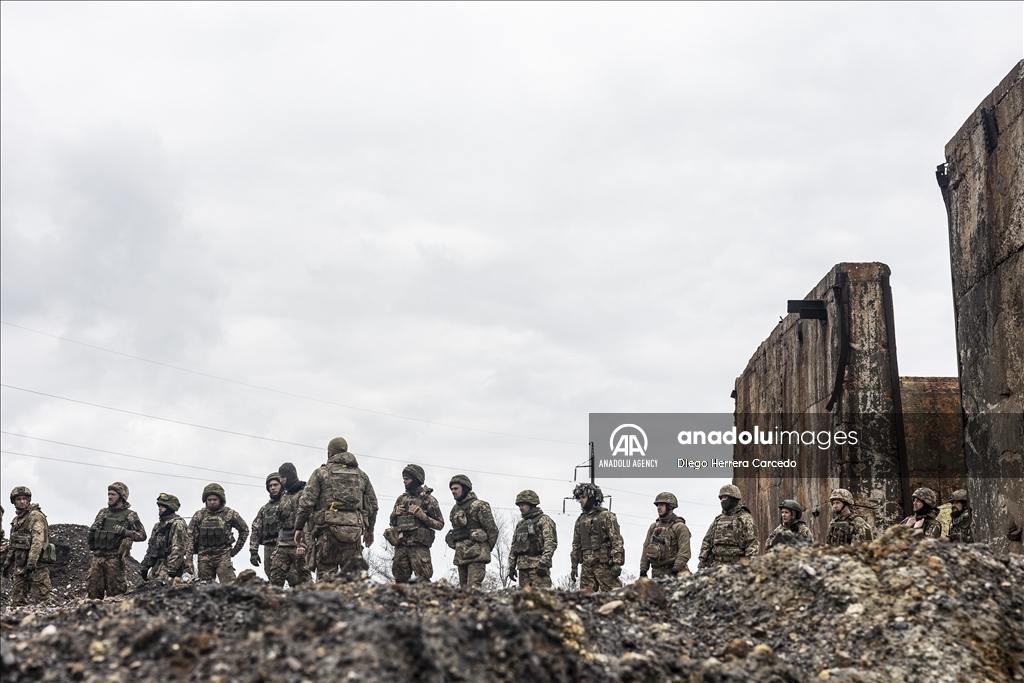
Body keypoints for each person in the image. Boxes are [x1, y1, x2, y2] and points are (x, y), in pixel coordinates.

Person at [296, 437, 378, 581]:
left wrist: (298, 528)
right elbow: (373, 505)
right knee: (353, 583)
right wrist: (370, 530)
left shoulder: (321, 473)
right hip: (354, 536)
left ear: (330, 453)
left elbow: (306, 503)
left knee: (327, 580)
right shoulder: (362, 475)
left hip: (328, 534)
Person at [87, 482, 147, 599]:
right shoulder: (102, 513)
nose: (109, 497)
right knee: (93, 594)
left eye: (113, 494)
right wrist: (92, 530)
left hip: (114, 559)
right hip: (97, 558)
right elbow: (94, 531)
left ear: (121, 496)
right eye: (108, 494)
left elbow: (142, 535)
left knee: (116, 596)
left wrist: (126, 532)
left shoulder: (130, 515)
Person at [386, 464, 444, 583]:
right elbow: (392, 522)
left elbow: (440, 524)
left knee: (422, 581)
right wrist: (394, 514)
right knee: (400, 582)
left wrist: (422, 516)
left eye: (407, 478)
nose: (404, 481)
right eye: (404, 478)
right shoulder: (401, 499)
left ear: (416, 479)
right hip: (401, 546)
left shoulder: (429, 500)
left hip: (418, 546)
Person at [187, 483, 249, 582]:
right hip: (204, 557)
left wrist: (236, 550)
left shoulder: (230, 514)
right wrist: (189, 559)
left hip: (223, 556)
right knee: (204, 587)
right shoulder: (199, 515)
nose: (212, 502)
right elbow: (190, 535)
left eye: (215, 500)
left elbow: (244, 530)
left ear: (221, 500)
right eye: (209, 500)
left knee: (230, 586)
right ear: (205, 500)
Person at [445, 474, 498, 589]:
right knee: (463, 590)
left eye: (456, 488)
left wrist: (485, 548)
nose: (453, 491)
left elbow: (492, 530)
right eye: (451, 489)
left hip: (477, 554)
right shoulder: (454, 510)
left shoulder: (479, 506)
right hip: (460, 555)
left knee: (473, 588)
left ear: (464, 488)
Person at [570, 482, 624, 592]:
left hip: (603, 564)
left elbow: (616, 540)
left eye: (583, 497)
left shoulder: (606, 516)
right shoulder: (580, 520)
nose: (580, 501)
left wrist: (617, 562)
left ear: (592, 498)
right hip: (586, 566)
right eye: (579, 498)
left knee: (614, 595)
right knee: (585, 597)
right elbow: (576, 544)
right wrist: (574, 566)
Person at [4, 487, 51, 606]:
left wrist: (32, 562)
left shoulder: (35, 516)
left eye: (24, 499)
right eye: (18, 499)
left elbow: (38, 540)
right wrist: (7, 563)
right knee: (18, 602)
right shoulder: (16, 521)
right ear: (14, 502)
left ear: (28, 500)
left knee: (43, 601)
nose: (22, 502)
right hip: (21, 565)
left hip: (37, 565)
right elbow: (13, 545)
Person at [269, 462, 312, 587]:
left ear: (290, 476)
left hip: (298, 545)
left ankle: (310, 604)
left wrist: (302, 545)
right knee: (275, 579)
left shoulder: (303, 493)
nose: (281, 481)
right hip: (283, 545)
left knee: (304, 580)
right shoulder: (285, 495)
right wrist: (277, 548)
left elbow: (306, 520)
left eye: (283, 477)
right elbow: (280, 525)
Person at [697, 484, 759, 569]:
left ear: (734, 498)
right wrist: (701, 562)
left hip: (736, 568)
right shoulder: (718, 520)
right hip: (716, 567)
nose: (722, 500)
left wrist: (748, 567)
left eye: (725, 497)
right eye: (721, 498)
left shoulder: (745, 519)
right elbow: (707, 542)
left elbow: (752, 545)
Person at [508, 490, 557, 588]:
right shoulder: (521, 524)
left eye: (523, 505)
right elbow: (514, 547)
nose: (520, 508)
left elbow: (550, 543)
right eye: (519, 506)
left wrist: (543, 564)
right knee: (526, 600)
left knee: (541, 599)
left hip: (537, 567)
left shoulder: (544, 520)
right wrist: (511, 567)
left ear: (531, 504)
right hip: (522, 568)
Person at [639, 492, 691, 578]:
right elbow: (646, 549)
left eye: (661, 505)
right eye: (657, 505)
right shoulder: (653, 527)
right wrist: (643, 571)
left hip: (677, 574)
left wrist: (675, 571)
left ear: (670, 506)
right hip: (656, 573)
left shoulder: (679, 527)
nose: (658, 508)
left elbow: (684, 552)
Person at [141, 493, 188, 580]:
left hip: (169, 566)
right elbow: (151, 548)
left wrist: (172, 570)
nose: (159, 508)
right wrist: (144, 566)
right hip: (156, 566)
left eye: (163, 506)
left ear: (170, 508)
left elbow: (178, 548)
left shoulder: (177, 524)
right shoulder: (157, 526)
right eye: (159, 506)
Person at [250, 473, 283, 572]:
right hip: (269, 548)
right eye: (270, 486)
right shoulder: (264, 509)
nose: (273, 488)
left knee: (295, 579)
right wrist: (253, 552)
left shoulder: (289, 503)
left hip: (287, 546)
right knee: (272, 579)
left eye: (275, 485)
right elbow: (255, 529)